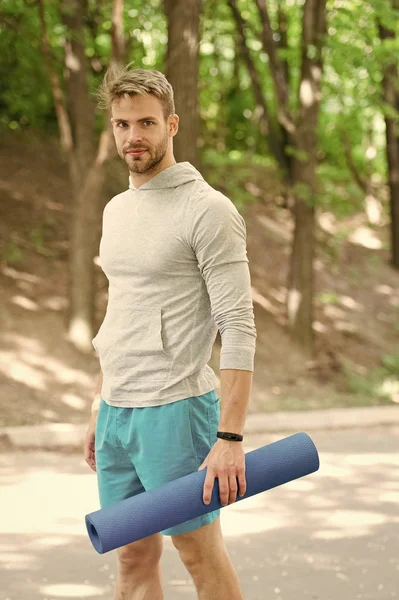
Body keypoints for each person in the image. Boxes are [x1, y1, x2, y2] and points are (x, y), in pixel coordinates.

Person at [84, 65, 256, 600]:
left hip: (177, 410)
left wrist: (230, 438)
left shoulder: (207, 209)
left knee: (199, 555)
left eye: (146, 123)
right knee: (131, 555)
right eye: (121, 124)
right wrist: (99, 403)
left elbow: (238, 324)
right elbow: (124, 313)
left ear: (172, 124)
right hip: (118, 410)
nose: (133, 136)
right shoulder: (117, 210)